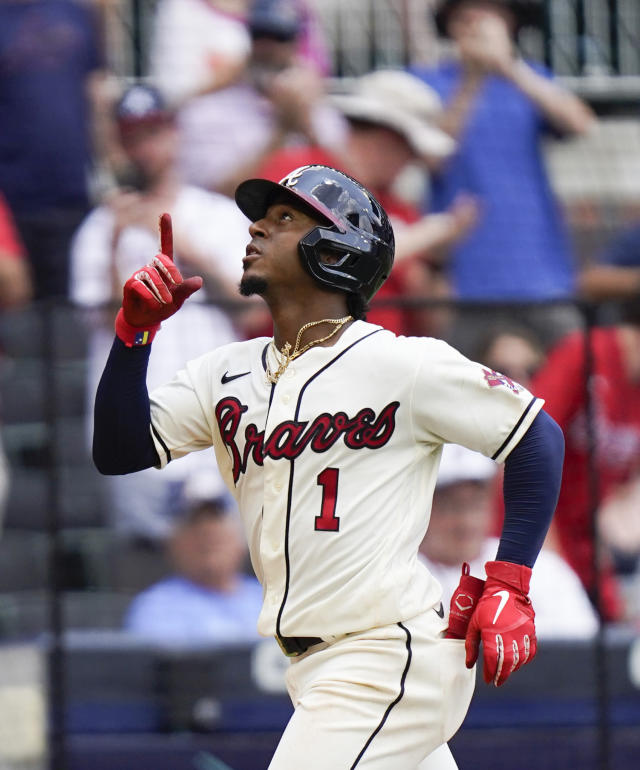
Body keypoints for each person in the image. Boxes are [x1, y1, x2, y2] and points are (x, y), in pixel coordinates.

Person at [92, 164, 564, 768]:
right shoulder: (225, 373)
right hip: (314, 667)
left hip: (385, 653)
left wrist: (511, 581)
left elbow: (536, 437)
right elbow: (120, 449)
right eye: (260, 217)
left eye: (283, 219)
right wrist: (135, 334)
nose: (257, 228)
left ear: (338, 248)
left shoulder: (402, 364)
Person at [71, 83, 254, 540]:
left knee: (229, 566)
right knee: (141, 569)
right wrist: (117, 242)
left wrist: (183, 249)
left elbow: (251, 311)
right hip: (134, 421)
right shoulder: (99, 227)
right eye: (133, 135)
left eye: (154, 131)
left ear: (174, 133)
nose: (145, 147)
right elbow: (99, 320)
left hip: (215, 423)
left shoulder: (217, 214)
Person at [412, 0, 596, 354]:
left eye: (488, 17)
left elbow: (580, 123)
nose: (476, 27)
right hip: (465, 281)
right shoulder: (429, 81)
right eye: (466, 18)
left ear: (509, 24)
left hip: (542, 275)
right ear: (450, 28)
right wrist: (474, 78)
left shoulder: (532, 78)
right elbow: (434, 154)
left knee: (572, 382)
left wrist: (509, 66)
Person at [255, 69, 479, 336]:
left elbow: (437, 324)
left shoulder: (399, 209)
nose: (412, 161)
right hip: (301, 360)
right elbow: (303, 270)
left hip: (380, 365)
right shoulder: (300, 171)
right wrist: (422, 237)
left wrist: (438, 258)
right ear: (386, 135)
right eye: (410, 149)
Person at [150, 0, 344, 196]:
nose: (269, 48)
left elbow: (349, 188)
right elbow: (219, 194)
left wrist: (307, 129)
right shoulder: (212, 110)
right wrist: (281, 132)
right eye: (259, 36)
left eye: (280, 38)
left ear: (295, 45)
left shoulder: (315, 108)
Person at [531, 300, 640, 623]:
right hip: (535, 532)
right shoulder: (585, 353)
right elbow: (528, 441)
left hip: (586, 546)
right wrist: (543, 549)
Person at [420, 444, 598, 640]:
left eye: (475, 504)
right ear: (424, 507)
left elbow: (583, 650)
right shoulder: (401, 573)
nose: (466, 522)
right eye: (451, 507)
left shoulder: (539, 567)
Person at [0, 0, 110, 300]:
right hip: (11, 205)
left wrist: (110, 167)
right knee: (20, 325)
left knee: (69, 320)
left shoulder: (76, 14)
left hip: (73, 197)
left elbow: (96, 95)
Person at [124, 497, 263, 645]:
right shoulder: (154, 608)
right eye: (194, 522)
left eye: (218, 519)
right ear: (174, 543)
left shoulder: (269, 598)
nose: (208, 531)